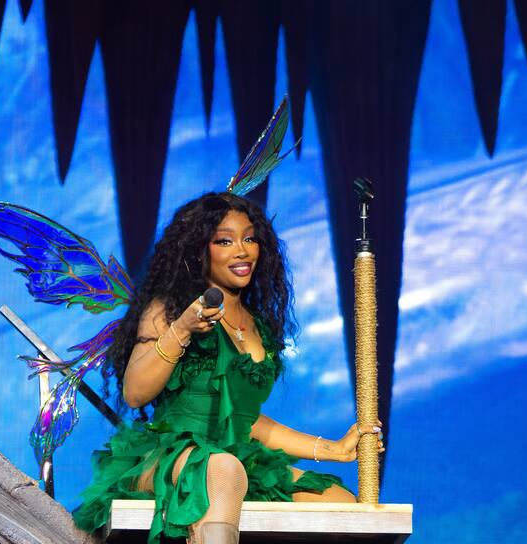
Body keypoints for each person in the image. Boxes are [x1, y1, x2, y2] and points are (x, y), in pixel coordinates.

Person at [71, 192, 383, 544]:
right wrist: (181, 330)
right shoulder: (167, 310)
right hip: (172, 455)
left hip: (239, 456)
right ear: (198, 250)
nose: (242, 251)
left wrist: (333, 449)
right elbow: (134, 393)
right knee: (222, 470)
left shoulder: (258, 326)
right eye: (224, 241)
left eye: (249, 239)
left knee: (342, 506)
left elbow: (246, 421)